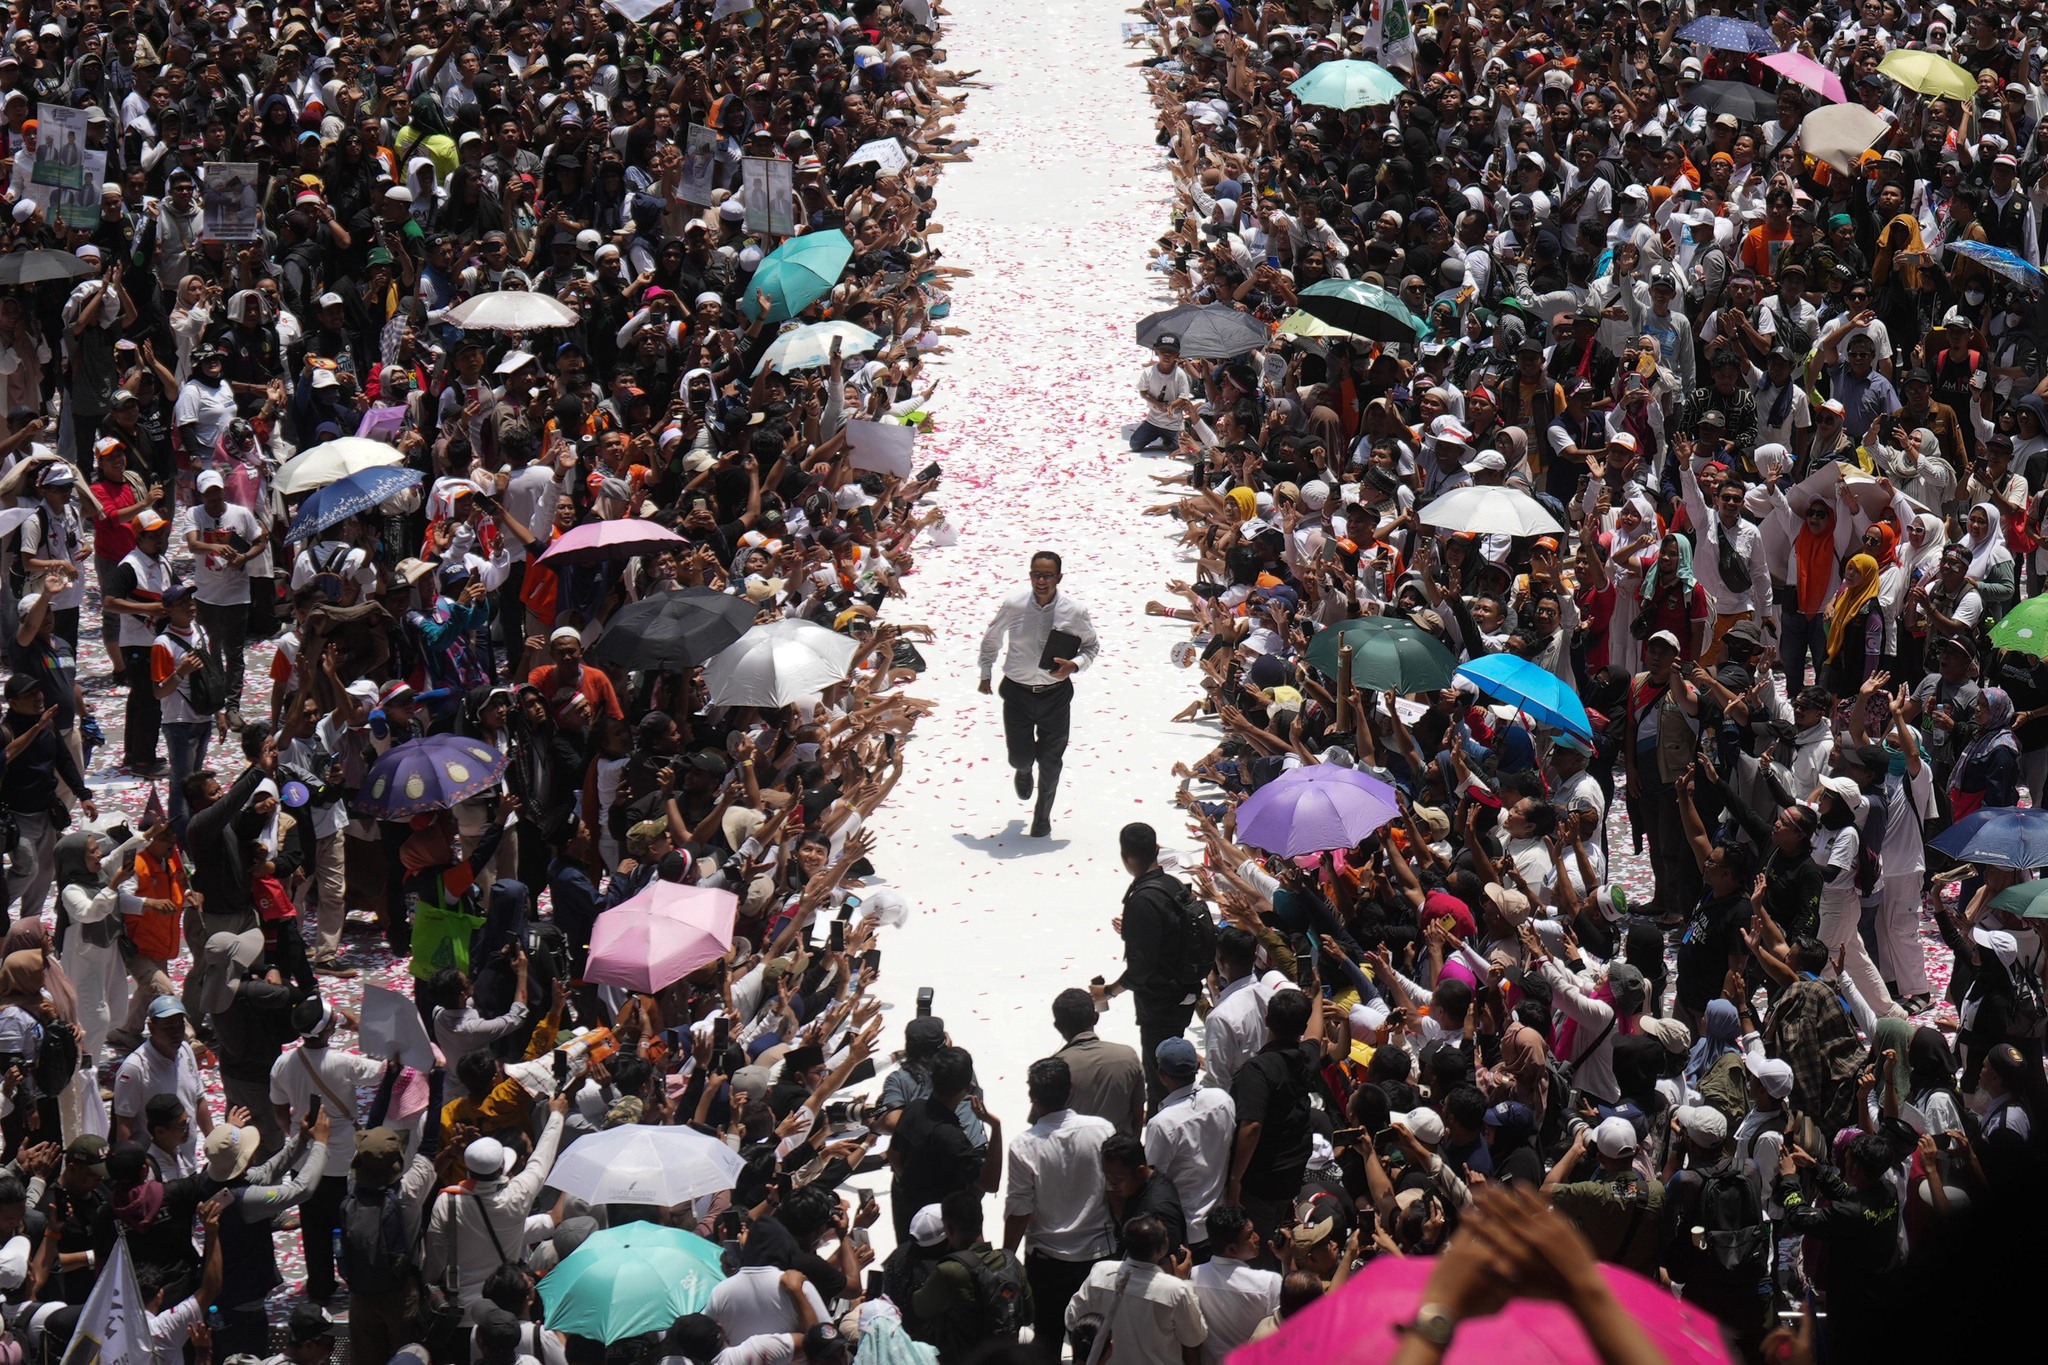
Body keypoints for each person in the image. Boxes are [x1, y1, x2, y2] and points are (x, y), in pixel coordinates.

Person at [977, 551, 1099, 836]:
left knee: (1051, 761)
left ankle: (1042, 815)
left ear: (1059, 577)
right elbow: (991, 638)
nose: (1041, 580)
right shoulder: (1014, 605)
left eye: (1047, 575)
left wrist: (1075, 665)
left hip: (1055, 695)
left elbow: (1091, 647)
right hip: (1017, 693)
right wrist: (986, 673)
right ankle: (1022, 770)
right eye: (1036, 574)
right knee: (1020, 757)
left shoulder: (1075, 611)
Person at [1004, 1057, 1115, 1361]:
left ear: (1033, 1097)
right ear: (1071, 1089)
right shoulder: (1102, 1130)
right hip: (1098, 1257)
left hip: (1047, 1262)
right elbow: (1113, 1189)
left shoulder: (1023, 1146)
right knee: (1099, 1342)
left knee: (1047, 1340)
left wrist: (1007, 1257)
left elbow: (1019, 1208)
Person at [1096, 822, 1205, 1108]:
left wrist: (1109, 992)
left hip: (1161, 1003)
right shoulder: (1172, 884)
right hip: (1185, 993)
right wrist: (1133, 930)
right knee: (1175, 1068)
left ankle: (1166, 1127)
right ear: (1156, 848)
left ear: (1126, 856)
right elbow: (1172, 933)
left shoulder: (1144, 898)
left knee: (1162, 1077)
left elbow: (1140, 970)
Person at [1062, 1215, 1207, 1365]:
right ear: (1162, 1250)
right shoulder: (1175, 1290)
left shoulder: (1100, 1272)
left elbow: (1072, 1319)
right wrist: (1184, 1281)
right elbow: (1194, 1337)